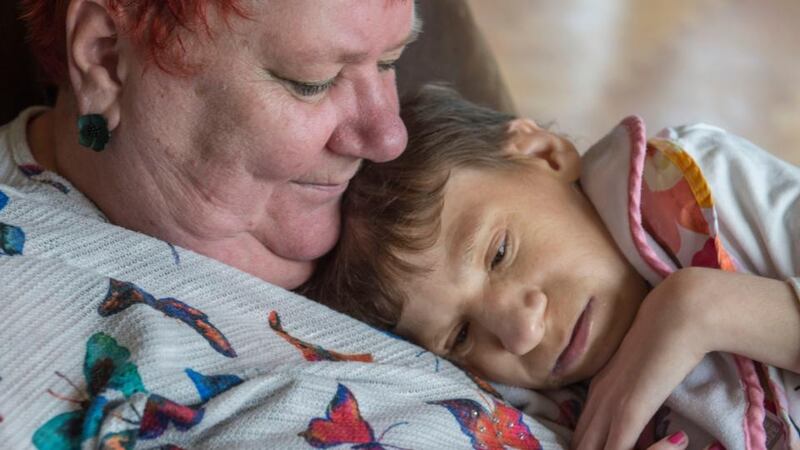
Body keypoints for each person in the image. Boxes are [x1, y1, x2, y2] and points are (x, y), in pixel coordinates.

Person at [1, 2, 587, 448]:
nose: (388, 138)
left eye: (388, 62)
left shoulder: (410, 200)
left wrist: (671, 319)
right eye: (313, 82)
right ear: (107, 57)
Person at [302, 84, 800, 450]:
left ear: (544, 153)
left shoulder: (700, 184)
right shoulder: (529, 413)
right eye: (460, 336)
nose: (521, 332)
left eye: (499, 253)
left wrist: (698, 308)